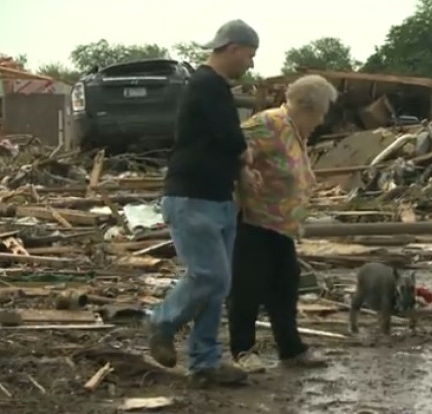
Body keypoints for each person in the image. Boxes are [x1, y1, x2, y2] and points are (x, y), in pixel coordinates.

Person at [145, 19, 261, 387]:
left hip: (216, 197)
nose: (251, 64)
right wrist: (246, 157)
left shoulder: (216, 88)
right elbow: (230, 137)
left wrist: (240, 170)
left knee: (218, 284)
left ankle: (204, 361)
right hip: (192, 197)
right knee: (210, 275)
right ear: (232, 48)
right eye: (249, 55)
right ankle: (160, 320)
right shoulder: (205, 85)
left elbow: (221, 141)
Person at [227, 75, 338, 373]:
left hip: (281, 226)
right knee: (247, 288)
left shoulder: (295, 130)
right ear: (308, 106)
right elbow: (230, 143)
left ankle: (291, 349)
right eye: (322, 111)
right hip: (255, 221)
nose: (322, 119)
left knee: (285, 287)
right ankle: (242, 350)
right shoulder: (271, 123)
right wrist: (243, 173)